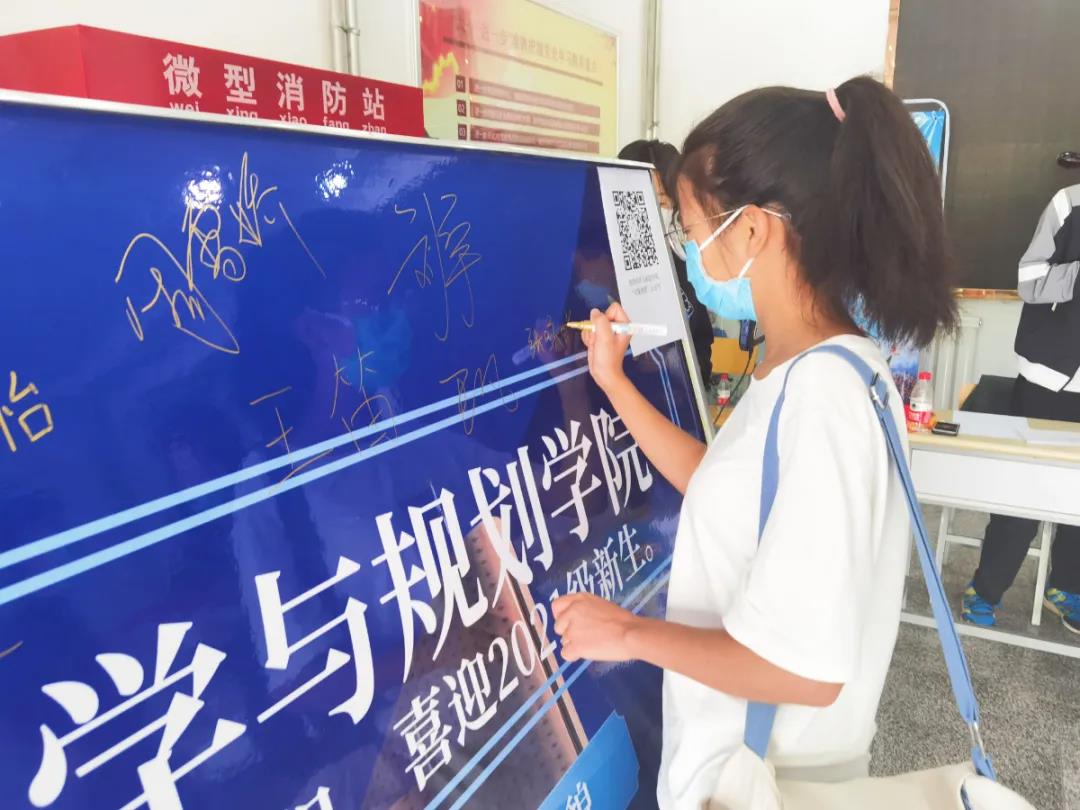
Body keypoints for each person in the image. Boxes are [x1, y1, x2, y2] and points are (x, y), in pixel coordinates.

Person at [552, 77, 956, 807]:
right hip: (743, 768)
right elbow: (729, 488)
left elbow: (803, 669)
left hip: (760, 784)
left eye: (690, 227)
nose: (688, 251)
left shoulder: (823, 398)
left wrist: (627, 635)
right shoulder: (813, 369)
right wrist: (612, 382)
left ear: (752, 230)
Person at [962, 183, 1080, 634]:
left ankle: (1066, 587)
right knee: (1024, 495)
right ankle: (985, 590)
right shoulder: (1068, 204)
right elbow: (1029, 281)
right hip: (1049, 379)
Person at [618, 139, 715, 384]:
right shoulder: (600, 270)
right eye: (644, 199)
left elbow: (702, 350)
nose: (656, 211)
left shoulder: (685, 264)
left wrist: (672, 364)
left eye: (663, 201)